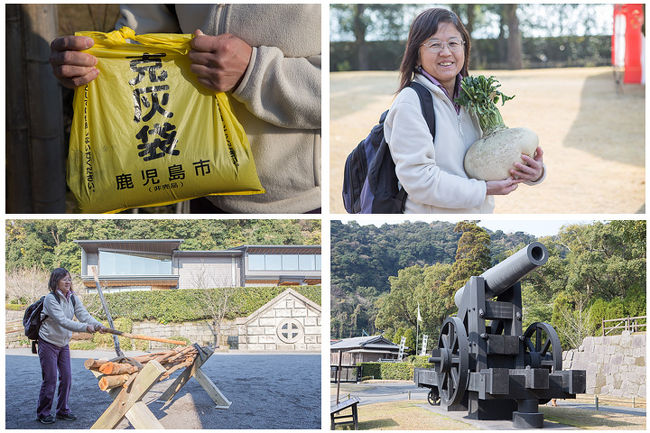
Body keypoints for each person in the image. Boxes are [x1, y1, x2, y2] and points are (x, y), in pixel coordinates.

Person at [49, 4, 321, 214]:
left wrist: (254, 73)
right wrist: (96, 65)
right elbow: (142, 33)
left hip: (299, 201)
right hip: (197, 177)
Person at [384, 8, 545, 213]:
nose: (446, 52)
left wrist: (534, 173)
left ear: (464, 48)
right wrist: (482, 189)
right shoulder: (410, 103)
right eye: (434, 44)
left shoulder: (475, 97)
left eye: (453, 43)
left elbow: (494, 158)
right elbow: (420, 181)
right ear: (417, 55)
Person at [36, 268, 106, 424]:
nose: (68, 282)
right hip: (48, 342)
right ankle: (43, 413)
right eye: (64, 279)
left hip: (63, 344)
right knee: (51, 379)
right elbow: (63, 321)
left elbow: (84, 315)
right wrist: (85, 328)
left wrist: (98, 325)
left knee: (67, 377)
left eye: (69, 279)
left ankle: (62, 410)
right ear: (55, 281)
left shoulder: (73, 298)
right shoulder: (50, 299)